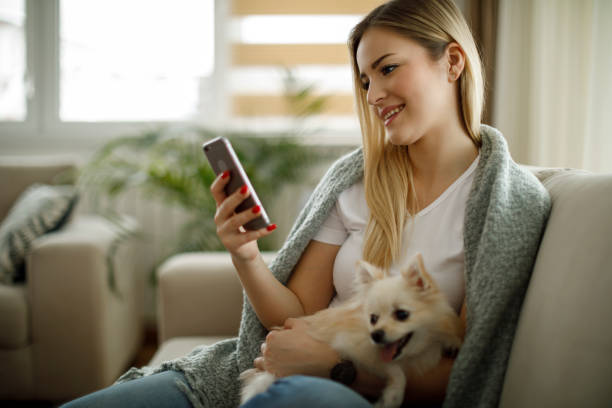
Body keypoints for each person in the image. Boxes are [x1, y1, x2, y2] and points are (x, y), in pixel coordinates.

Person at [62, 1, 550, 407]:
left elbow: (468, 375)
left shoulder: (508, 203)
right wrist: (246, 255)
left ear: (453, 62)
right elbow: (294, 314)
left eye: (388, 69)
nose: (374, 94)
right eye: (364, 80)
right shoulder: (354, 181)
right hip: (263, 374)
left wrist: (335, 367)